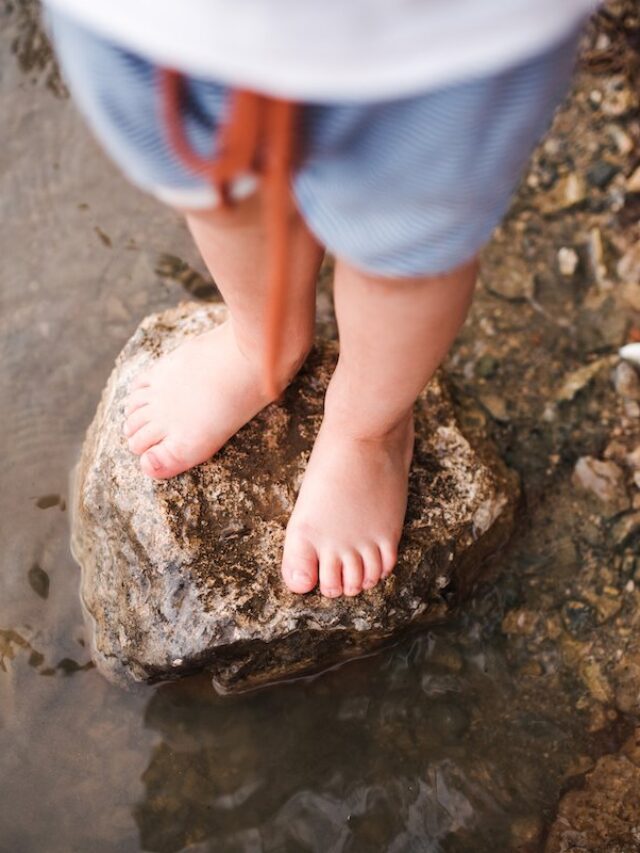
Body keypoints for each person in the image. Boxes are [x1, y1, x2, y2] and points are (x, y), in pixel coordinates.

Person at [44, 0, 595, 598]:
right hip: (163, 21)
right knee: (217, 185)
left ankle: (369, 429)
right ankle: (258, 342)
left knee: (405, 249)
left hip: (441, 36)